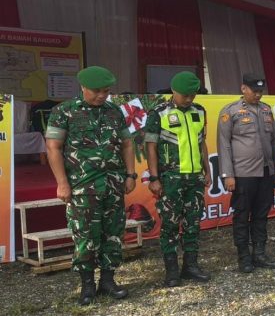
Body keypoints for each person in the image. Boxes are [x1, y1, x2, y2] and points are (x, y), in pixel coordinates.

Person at [45, 66, 135, 305]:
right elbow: (53, 148)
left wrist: (130, 175)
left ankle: (108, 281)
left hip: (113, 185)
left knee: (113, 233)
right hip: (82, 187)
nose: (102, 95)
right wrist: (62, 183)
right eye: (97, 91)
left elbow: (127, 144)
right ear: (83, 87)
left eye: (106, 91)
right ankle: (87, 286)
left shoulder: (114, 111)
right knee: (85, 236)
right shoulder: (64, 111)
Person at [144, 71, 211, 287]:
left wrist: (207, 170)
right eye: (185, 95)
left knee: (193, 223)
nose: (189, 99)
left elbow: (202, 142)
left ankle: (190, 266)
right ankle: (171, 271)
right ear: (174, 91)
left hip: (195, 178)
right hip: (170, 178)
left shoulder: (199, 111)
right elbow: (150, 146)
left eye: (193, 95)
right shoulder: (159, 113)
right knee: (170, 225)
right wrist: (154, 177)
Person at [217, 73, 275, 273]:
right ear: (243, 88)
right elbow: (224, 145)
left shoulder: (266, 110)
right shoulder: (230, 111)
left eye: (260, 91)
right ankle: (244, 256)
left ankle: (260, 253)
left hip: (266, 171)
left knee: (261, 213)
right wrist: (228, 175)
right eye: (254, 91)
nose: (258, 95)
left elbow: (274, 141)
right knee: (241, 215)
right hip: (243, 173)